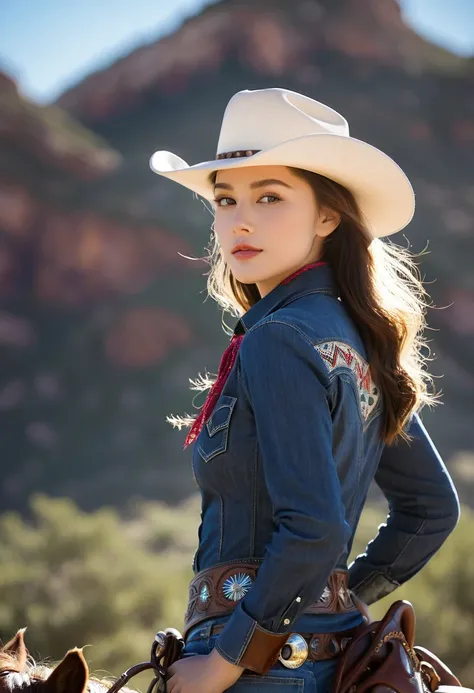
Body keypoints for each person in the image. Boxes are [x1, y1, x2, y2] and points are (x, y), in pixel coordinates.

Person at [148, 88, 460, 693]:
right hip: (317, 656)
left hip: (256, 670)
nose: (240, 219)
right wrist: (335, 599)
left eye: (269, 197)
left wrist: (227, 658)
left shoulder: (278, 337)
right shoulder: (363, 344)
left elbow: (314, 526)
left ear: (328, 215)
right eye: (225, 199)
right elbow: (431, 511)